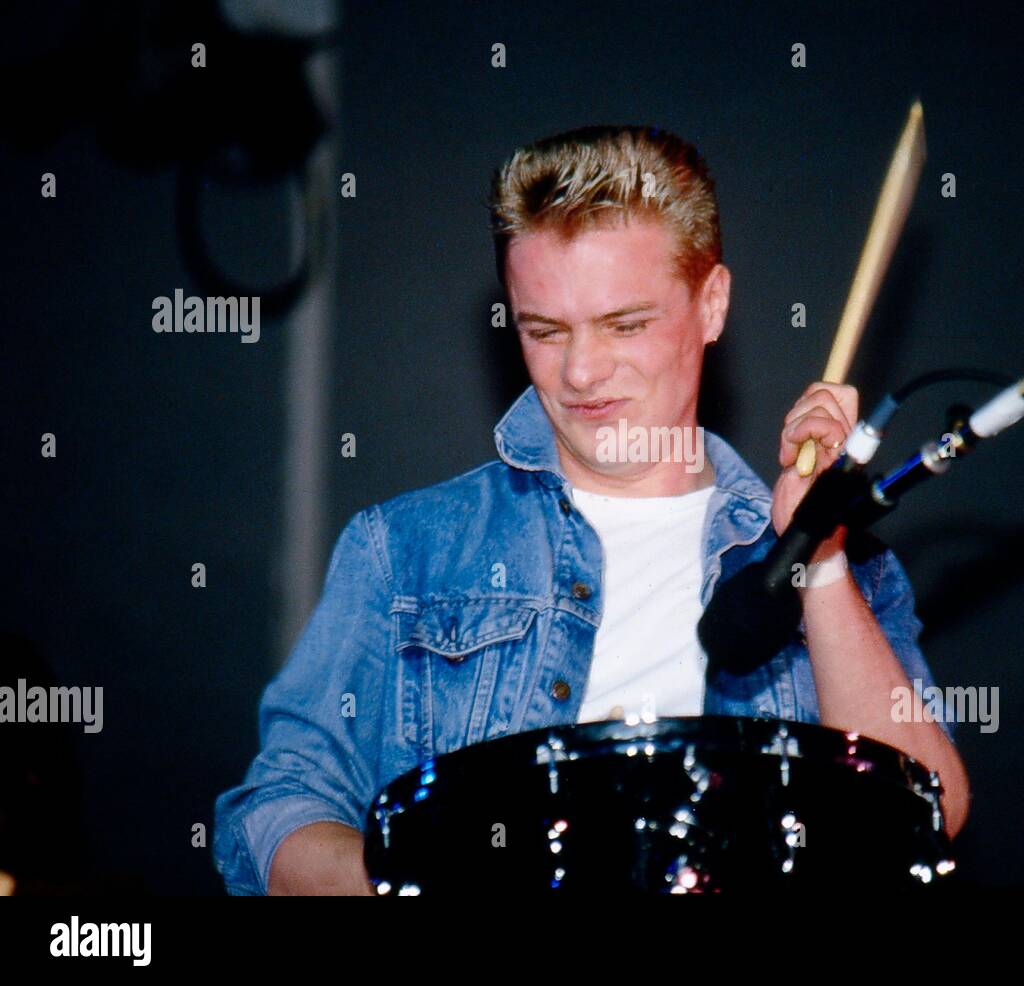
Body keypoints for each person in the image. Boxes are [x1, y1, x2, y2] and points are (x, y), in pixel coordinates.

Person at [214, 125, 970, 895]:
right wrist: (434, 883)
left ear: (712, 304)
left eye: (624, 325)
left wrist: (822, 555)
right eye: (545, 330)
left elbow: (927, 811)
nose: (580, 371)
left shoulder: (839, 564)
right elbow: (274, 816)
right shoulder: (405, 550)